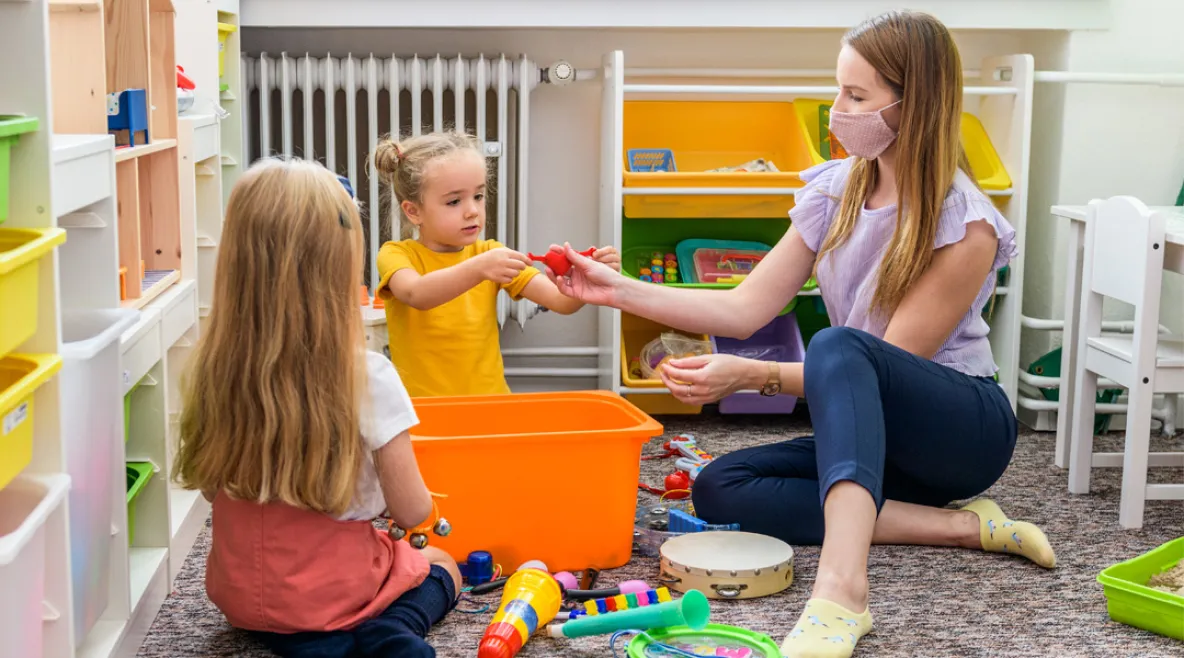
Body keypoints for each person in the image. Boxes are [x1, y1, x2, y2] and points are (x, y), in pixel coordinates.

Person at [546, 11, 1055, 658]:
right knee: (718, 487)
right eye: (839, 90)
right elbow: (742, 310)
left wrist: (754, 375)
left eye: (857, 97)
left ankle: (842, 594)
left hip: (959, 429)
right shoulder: (837, 190)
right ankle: (962, 527)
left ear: (914, 104)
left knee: (839, 347)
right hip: (881, 435)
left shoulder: (966, 226)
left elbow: (884, 368)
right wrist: (612, 289)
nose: (838, 110)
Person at [173, 158, 460, 658]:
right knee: (442, 566)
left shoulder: (210, 366)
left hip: (238, 596)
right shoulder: (367, 377)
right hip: (336, 590)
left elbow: (208, 488)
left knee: (286, 600)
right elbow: (413, 510)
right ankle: (389, 632)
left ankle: (306, 642)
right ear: (338, 272)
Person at [373, 132, 620, 397]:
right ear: (413, 211)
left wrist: (583, 282)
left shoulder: (490, 254)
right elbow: (416, 293)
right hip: (424, 411)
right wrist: (479, 268)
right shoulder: (397, 254)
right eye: (454, 201)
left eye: (478, 196)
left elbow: (561, 302)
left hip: (490, 403)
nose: (472, 211)